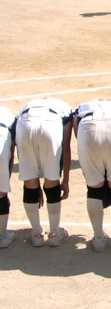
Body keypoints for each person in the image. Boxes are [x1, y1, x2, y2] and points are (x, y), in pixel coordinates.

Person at [73, 99, 111, 252]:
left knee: (94, 187)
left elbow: (75, 124)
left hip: (88, 126)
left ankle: (98, 238)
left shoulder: (83, 106)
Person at [14, 98, 73, 247]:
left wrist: (35, 182)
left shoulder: (25, 107)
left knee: (30, 182)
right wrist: (65, 181)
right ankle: (54, 234)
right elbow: (66, 148)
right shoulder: (65, 108)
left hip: (25, 122)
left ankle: (37, 234)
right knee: (52, 181)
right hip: (50, 123)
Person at [0, 107, 16, 248]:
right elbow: (12, 149)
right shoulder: (7, 113)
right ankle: (1, 235)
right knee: (1, 193)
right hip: (2, 139)